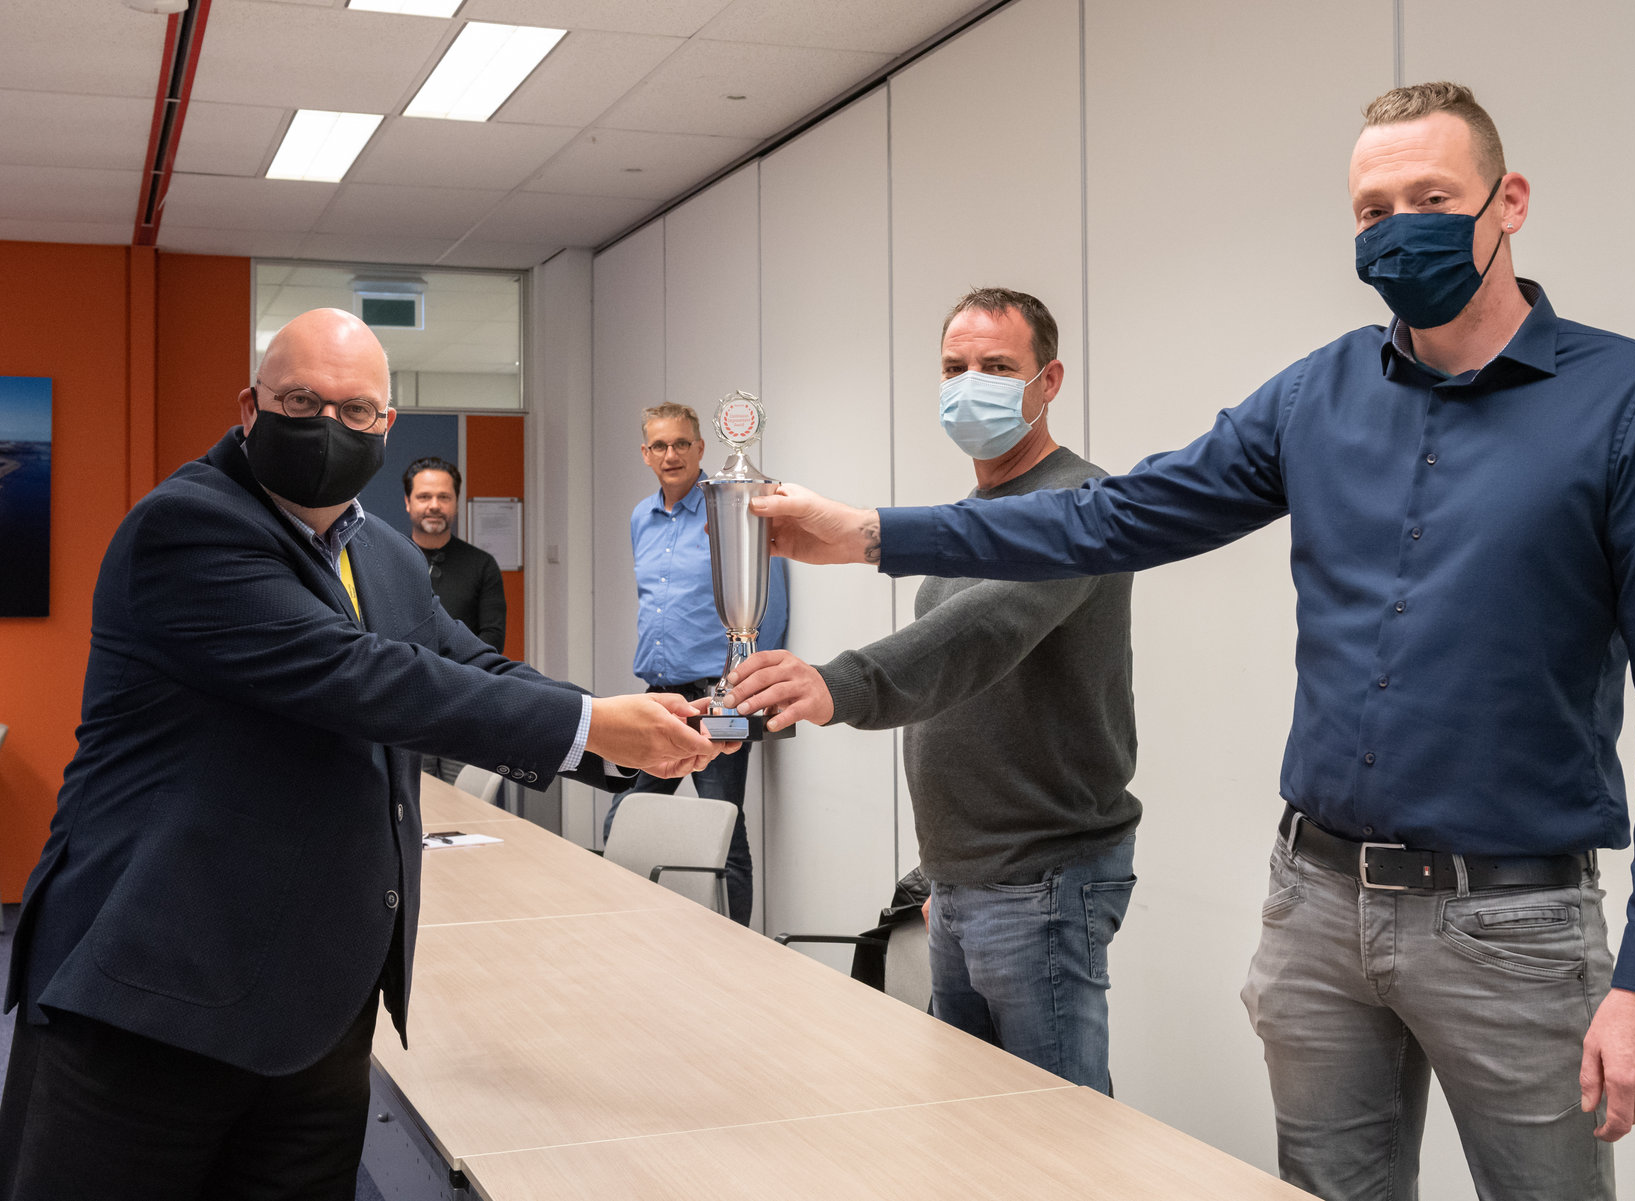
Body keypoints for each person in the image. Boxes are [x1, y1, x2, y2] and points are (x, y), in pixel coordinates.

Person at [748, 83, 1635, 1201]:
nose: (1398, 226)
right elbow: (1110, 515)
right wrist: (873, 534)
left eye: (1431, 198)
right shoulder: (1320, 393)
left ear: (1508, 202)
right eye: (1372, 209)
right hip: (1317, 907)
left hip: (1510, 922)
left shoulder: (1632, 401)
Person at [0, 308, 727, 1201]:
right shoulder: (186, 527)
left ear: (386, 426)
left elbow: (469, 665)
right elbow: (361, 677)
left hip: (316, 1014)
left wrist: (623, 736)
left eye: (354, 411)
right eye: (301, 402)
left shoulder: (380, 550)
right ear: (250, 408)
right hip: (150, 998)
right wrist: (590, 723)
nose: (327, 427)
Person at [725, 289, 1138, 1092]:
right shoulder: (975, 514)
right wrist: (941, 873)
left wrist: (837, 683)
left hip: (1040, 880)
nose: (969, 384)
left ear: (1049, 381)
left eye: (997, 367)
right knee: (972, 1118)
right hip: (960, 878)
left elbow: (981, 634)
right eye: (955, 367)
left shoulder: (1078, 505)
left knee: (1058, 1128)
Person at [604, 402, 789, 927]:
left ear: (701, 448)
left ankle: (737, 947)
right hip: (660, 695)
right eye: (660, 445)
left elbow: (767, 605)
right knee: (625, 816)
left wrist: (751, 688)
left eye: (682, 443)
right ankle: (630, 926)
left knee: (722, 826)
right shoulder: (641, 518)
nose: (672, 455)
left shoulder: (727, 507)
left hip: (717, 695)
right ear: (645, 454)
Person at [402, 455, 507, 785]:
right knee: (409, 800)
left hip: (465, 709)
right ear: (408, 502)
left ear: (456, 503)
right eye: (424, 496)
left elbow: (492, 638)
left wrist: (453, 684)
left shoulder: (481, 565)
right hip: (405, 709)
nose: (434, 505)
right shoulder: (388, 559)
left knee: (464, 803)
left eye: (443, 497)